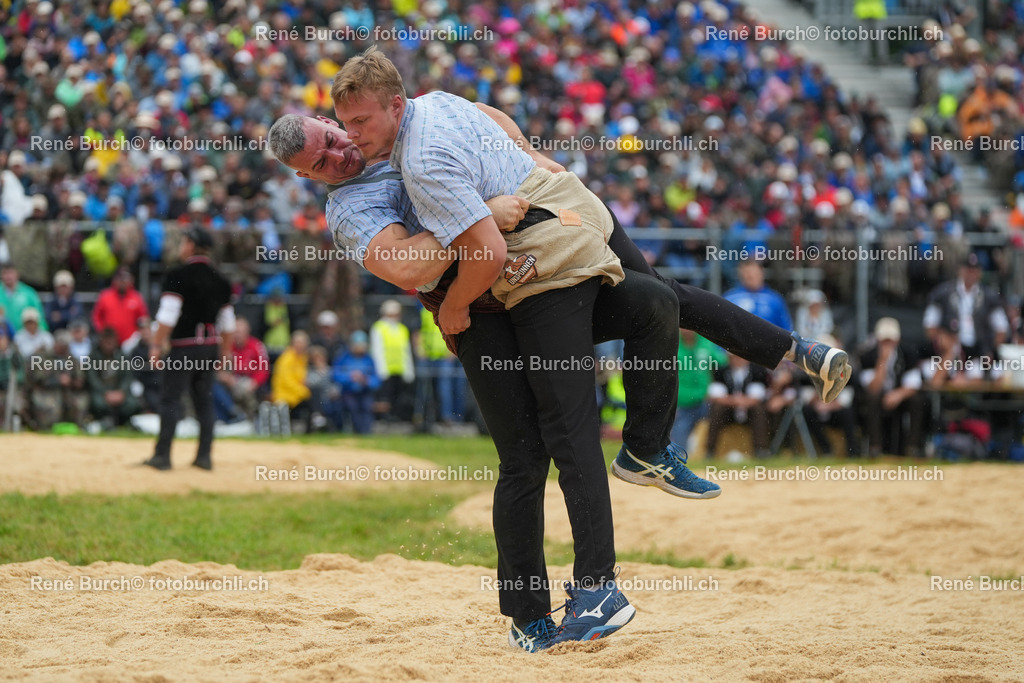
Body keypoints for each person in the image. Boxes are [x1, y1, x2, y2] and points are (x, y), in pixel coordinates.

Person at [143, 227, 235, 471]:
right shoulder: (220, 278)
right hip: (210, 347)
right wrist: (225, 352)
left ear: (191, 245)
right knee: (204, 401)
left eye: (184, 242)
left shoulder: (178, 275)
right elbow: (228, 322)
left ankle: (163, 456)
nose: (181, 246)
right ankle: (204, 457)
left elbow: (167, 315)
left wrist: (155, 345)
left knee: (170, 399)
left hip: (184, 347)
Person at [857, 318, 925, 457]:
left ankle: (912, 447)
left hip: (899, 395)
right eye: (884, 341)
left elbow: (914, 384)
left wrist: (898, 395)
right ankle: (875, 447)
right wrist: (882, 361)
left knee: (917, 400)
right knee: (871, 399)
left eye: (890, 341)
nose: (887, 344)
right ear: (877, 340)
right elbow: (873, 388)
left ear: (897, 340)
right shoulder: (868, 356)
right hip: (879, 396)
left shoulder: (908, 353)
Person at [923, 252, 1009, 362]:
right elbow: (930, 325)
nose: (971, 274)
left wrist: (991, 351)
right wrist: (942, 338)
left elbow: (1001, 328)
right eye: (968, 270)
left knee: (981, 370)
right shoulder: (943, 293)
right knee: (948, 356)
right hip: (949, 348)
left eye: (974, 270)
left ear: (980, 273)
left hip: (979, 349)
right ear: (960, 270)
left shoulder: (989, 297)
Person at [704, 354, 772, 460]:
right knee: (717, 408)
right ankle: (710, 450)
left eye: (740, 356)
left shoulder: (757, 371)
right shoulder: (721, 371)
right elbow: (716, 396)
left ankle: (760, 449)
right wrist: (735, 401)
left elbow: (757, 397)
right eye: (734, 357)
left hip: (749, 411)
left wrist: (739, 400)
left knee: (758, 409)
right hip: (729, 412)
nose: (738, 359)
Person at [672, 329, 726, 448]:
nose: (687, 330)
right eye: (683, 326)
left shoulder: (705, 343)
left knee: (720, 415)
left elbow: (724, 363)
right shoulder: (671, 343)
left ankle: (711, 454)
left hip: (705, 402)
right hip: (682, 405)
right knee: (679, 443)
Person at [369, 299, 414, 422]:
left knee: (397, 398)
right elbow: (377, 350)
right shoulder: (378, 327)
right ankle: (383, 420)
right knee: (384, 398)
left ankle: (395, 418)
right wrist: (381, 369)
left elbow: (406, 351)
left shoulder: (402, 328)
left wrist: (409, 370)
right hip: (385, 371)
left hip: (398, 370)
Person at [87, 327, 140, 429]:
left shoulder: (122, 356)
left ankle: (124, 422)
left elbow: (128, 377)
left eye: (111, 343)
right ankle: (103, 421)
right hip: (101, 392)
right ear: (101, 341)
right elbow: (92, 379)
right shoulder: (93, 356)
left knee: (133, 404)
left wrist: (121, 392)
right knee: (98, 404)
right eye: (106, 343)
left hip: (119, 391)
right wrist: (105, 392)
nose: (109, 346)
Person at [724, 258, 793, 332]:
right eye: (747, 274)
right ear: (741, 275)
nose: (751, 276)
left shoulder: (774, 299)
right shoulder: (730, 298)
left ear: (762, 273)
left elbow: (786, 329)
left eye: (754, 273)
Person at [332, 330, 380, 434]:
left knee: (367, 407)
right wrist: (350, 377)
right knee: (352, 407)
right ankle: (356, 431)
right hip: (348, 391)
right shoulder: (343, 358)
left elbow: (376, 380)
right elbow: (336, 375)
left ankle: (366, 433)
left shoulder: (369, 360)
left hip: (365, 391)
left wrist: (366, 380)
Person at [91, 268, 149, 346]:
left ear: (131, 280)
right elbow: (96, 317)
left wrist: (137, 335)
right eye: (120, 278)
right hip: (109, 342)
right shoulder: (105, 296)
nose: (122, 282)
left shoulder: (137, 298)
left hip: (130, 342)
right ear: (115, 280)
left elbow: (143, 319)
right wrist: (103, 331)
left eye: (125, 279)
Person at [270, 330, 312, 432]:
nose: (301, 346)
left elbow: (302, 377)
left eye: (303, 343)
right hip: (285, 394)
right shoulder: (287, 358)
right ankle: (313, 424)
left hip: (294, 393)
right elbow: (286, 381)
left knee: (314, 396)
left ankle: (314, 423)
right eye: (299, 343)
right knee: (311, 399)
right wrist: (303, 391)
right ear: (293, 343)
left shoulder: (302, 358)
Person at [0, 264, 46, 333]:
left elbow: (39, 316)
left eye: (10, 273)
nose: (8, 277)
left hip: (26, 336)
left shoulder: (29, 293)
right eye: (5, 273)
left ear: (17, 274)